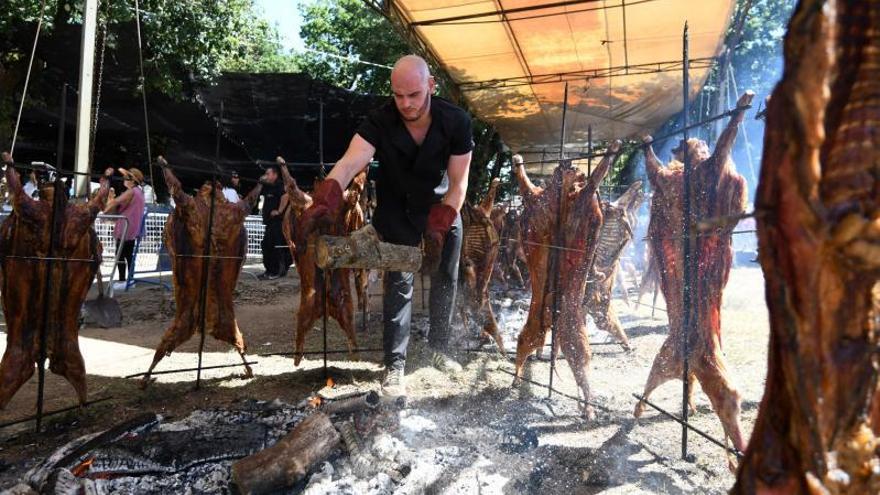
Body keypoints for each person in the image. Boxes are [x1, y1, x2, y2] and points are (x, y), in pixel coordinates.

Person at [297, 55, 473, 400]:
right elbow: (349, 163)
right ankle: (394, 367)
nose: (406, 104)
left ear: (431, 87)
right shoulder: (379, 120)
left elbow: (459, 185)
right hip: (396, 214)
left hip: (443, 212)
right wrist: (322, 201)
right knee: (399, 286)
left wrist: (438, 227)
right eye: (398, 96)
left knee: (445, 279)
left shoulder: (457, 121)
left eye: (414, 95)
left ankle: (439, 347)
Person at [103, 166, 146, 291]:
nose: (124, 179)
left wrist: (104, 210)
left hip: (126, 227)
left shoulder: (131, 191)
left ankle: (123, 280)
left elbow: (115, 202)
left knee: (120, 255)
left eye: (127, 178)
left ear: (132, 180)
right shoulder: (139, 192)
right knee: (128, 255)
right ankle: (130, 280)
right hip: (133, 227)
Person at [258, 164, 292, 279]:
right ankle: (269, 270)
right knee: (266, 246)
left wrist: (279, 210)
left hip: (277, 222)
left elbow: (286, 195)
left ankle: (278, 271)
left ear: (275, 174)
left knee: (277, 247)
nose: (266, 176)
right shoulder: (267, 186)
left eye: (268, 174)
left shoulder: (279, 185)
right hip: (268, 222)